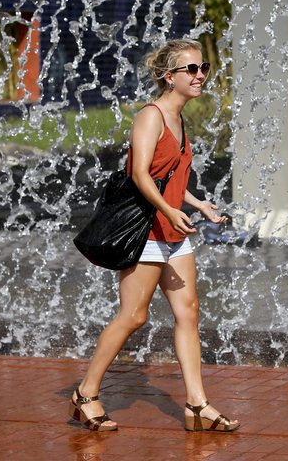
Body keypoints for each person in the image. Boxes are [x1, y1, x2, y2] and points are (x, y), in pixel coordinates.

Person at [68, 39, 239, 433]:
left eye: (203, 68)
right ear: (169, 76)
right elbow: (140, 175)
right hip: (146, 229)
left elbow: (171, 173)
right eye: (191, 70)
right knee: (134, 316)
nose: (200, 76)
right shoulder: (152, 116)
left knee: (188, 310)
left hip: (172, 227)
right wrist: (168, 209)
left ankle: (197, 405)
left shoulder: (180, 119)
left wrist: (197, 204)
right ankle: (86, 393)